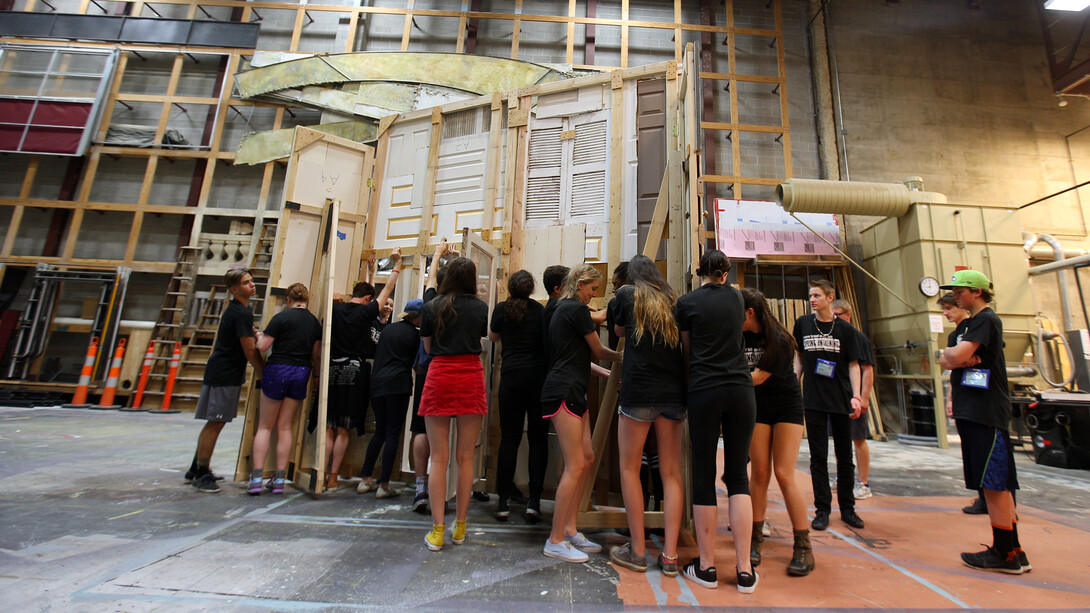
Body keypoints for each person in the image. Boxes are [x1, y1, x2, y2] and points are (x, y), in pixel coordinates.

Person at [676, 250, 758, 593]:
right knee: (738, 475)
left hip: (705, 389)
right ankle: (744, 570)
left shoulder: (686, 303)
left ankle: (706, 566)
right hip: (741, 389)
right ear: (725, 273)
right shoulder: (738, 299)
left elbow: (687, 349)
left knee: (704, 473)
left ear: (701, 273)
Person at [937, 270, 1028, 574]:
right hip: (972, 410)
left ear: (976, 292)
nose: (955, 297)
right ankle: (1012, 548)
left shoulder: (987, 320)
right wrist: (954, 356)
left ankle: (1005, 552)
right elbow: (947, 359)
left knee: (995, 483)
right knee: (991, 483)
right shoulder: (970, 325)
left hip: (986, 412)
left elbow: (957, 356)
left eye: (960, 291)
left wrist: (957, 356)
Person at [606, 256, 686, 577]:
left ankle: (637, 550)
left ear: (632, 275)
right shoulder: (673, 299)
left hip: (639, 391)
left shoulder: (626, 295)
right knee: (671, 473)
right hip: (673, 392)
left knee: (629, 467)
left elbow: (619, 330)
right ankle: (669, 556)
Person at [540, 264, 622, 563]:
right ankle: (555, 538)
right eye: (592, 289)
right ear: (580, 283)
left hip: (573, 389)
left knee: (585, 460)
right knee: (575, 465)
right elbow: (598, 350)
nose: (594, 294)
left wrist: (610, 375)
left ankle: (571, 529)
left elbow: (580, 359)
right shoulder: (574, 309)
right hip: (563, 391)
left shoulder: (564, 310)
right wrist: (622, 357)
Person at [742, 288, 815, 577]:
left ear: (750, 313)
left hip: (786, 408)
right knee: (759, 473)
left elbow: (758, 377)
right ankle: (754, 540)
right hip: (758, 408)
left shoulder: (781, 340)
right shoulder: (740, 337)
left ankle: (803, 546)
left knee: (784, 473)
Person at [420, 257, 490, 552]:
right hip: (471, 373)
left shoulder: (432, 306)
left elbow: (426, 347)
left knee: (438, 458)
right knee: (465, 458)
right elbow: (482, 338)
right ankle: (460, 528)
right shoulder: (481, 307)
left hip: (441, 373)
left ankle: (437, 531)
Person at [319, 248, 400, 492]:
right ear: (368, 300)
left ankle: (320, 475)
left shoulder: (336, 309)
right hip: (353, 371)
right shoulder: (366, 313)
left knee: (329, 426)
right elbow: (385, 291)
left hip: (331, 369)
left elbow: (369, 292)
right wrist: (396, 265)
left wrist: (371, 270)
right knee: (344, 428)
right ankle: (333, 476)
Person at [794, 279, 864, 532]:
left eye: (816, 295)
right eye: (810, 295)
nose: (812, 299)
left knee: (845, 457)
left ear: (830, 297)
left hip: (840, 400)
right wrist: (794, 384)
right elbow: (799, 358)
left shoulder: (844, 330)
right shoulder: (803, 324)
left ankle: (848, 508)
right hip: (813, 400)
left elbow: (854, 365)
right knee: (817, 457)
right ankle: (822, 509)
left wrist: (856, 396)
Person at [187, 267, 265, 493]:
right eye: (245, 282)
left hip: (224, 371)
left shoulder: (239, 311)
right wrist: (263, 372)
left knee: (215, 421)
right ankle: (201, 473)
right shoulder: (241, 313)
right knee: (216, 421)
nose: (251, 285)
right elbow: (250, 351)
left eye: (251, 281)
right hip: (224, 374)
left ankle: (195, 467)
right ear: (233, 289)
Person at [248, 283, 322, 494]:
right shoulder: (314, 322)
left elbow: (262, 347)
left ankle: (256, 479)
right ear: (306, 300)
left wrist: (259, 335)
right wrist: (315, 377)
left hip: (278, 369)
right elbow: (316, 355)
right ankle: (279, 479)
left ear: (288, 300)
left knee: (264, 427)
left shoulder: (280, 318)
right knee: (285, 427)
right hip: (301, 372)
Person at [489, 270, 548, 521]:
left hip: (511, 378)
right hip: (538, 379)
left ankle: (502, 502)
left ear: (510, 288)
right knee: (538, 440)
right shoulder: (540, 311)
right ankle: (534, 502)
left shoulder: (501, 309)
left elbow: (492, 337)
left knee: (509, 439)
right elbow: (547, 342)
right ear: (531, 288)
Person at [408, 242, 458, 514]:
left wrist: (438, 254)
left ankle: (421, 487)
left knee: (422, 428)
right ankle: (446, 489)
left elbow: (430, 278)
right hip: (456, 370)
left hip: (429, 368)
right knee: (451, 431)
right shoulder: (466, 304)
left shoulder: (431, 303)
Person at [359, 299, 423, 498]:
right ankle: (384, 485)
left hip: (377, 383)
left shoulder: (388, 329)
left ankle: (365, 479)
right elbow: (416, 365)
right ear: (416, 316)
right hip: (398, 385)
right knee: (393, 433)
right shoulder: (415, 335)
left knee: (380, 431)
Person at [938, 292, 987, 515]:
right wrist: (950, 398)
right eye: (944, 310)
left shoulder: (975, 327)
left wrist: (953, 358)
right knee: (970, 450)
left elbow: (977, 358)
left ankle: (998, 500)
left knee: (985, 450)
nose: (947, 314)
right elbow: (945, 361)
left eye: (949, 308)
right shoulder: (955, 334)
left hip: (980, 399)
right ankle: (982, 495)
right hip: (962, 396)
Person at [830, 299, 876, 500]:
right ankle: (844, 477)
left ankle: (862, 482)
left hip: (853, 397)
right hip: (837, 397)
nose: (835, 319)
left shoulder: (858, 339)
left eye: (838, 315)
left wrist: (863, 397)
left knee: (858, 439)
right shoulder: (833, 337)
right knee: (841, 440)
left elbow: (867, 370)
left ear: (848, 315)